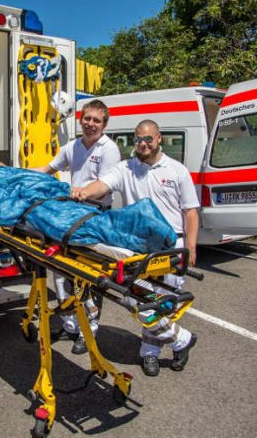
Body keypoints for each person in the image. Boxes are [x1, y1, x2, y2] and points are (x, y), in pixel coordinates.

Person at [73, 119, 199, 376]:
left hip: (173, 245)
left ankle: (150, 353)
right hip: (139, 246)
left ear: (159, 138)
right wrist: (84, 193)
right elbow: (103, 185)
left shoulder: (176, 170)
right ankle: (182, 340)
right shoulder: (126, 168)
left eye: (147, 139)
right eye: (138, 139)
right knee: (138, 297)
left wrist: (192, 246)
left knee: (164, 302)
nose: (142, 144)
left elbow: (190, 212)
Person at [34, 99, 121, 355]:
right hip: (72, 216)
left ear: (104, 124)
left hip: (94, 217)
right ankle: (70, 324)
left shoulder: (109, 149)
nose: (90, 124)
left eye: (96, 120)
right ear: (80, 119)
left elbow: (105, 185)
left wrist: (80, 193)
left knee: (87, 276)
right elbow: (48, 168)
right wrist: (19, 175)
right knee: (61, 271)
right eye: (87, 118)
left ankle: (88, 331)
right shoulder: (73, 146)